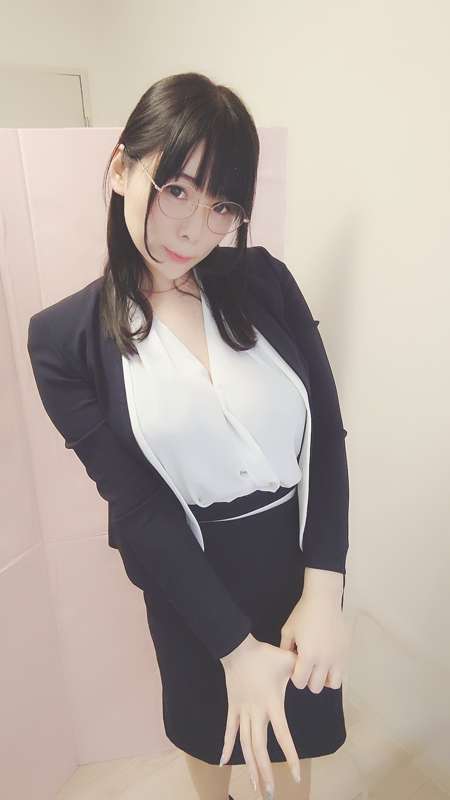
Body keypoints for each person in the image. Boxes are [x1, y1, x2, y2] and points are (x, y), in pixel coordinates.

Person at [27, 72, 350, 800]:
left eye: (222, 206)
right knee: (214, 744)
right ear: (121, 168)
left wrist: (325, 586)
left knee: (293, 756)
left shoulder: (263, 281)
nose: (193, 230)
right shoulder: (63, 339)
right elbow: (138, 506)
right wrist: (234, 648)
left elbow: (326, 436)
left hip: (294, 569)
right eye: (176, 189)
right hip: (187, 576)